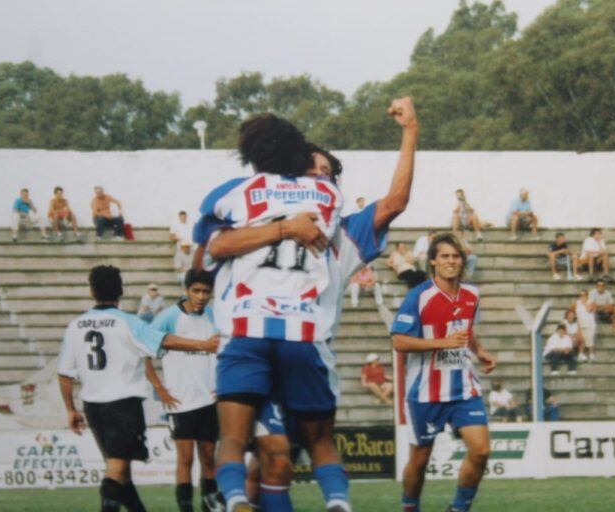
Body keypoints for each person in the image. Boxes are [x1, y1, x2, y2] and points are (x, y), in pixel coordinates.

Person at [196, 97, 418, 512]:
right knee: (274, 460)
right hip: (263, 339)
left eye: (328, 173)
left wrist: (409, 132)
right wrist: (280, 228)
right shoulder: (256, 216)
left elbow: (395, 202)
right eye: (312, 169)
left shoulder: (345, 237)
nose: (319, 175)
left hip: (301, 345)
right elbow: (210, 252)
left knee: (279, 461)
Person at [57, 265, 218, 512]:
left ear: (91, 292)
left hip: (92, 407)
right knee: (117, 469)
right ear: (121, 292)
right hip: (122, 404)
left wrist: (70, 409)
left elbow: (65, 373)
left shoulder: (75, 326)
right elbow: (165, 340)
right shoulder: (128, 323)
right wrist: (203, 346)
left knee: (121, 472)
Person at [391, 233, 496, 512]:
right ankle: (410, 507)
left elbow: (466, 331)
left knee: (481, 450)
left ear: (462, 261)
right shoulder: (419, 296)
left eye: (456, 256)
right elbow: (399, 341)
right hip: (425, 392)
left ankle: (459, 509)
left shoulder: (473, 295)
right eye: (445, 256)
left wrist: (480, 350)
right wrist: (442, 343)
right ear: (433, 261)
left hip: (463, 388)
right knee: (420, 460)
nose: (451, 261)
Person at [144, 270, 221, 512]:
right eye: (196, 291)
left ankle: (209, 508)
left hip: (209, 400)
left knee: (209, 458)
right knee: (185, 459)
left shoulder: (214, 316)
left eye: (206, 291)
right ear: (186, 290)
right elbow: (143, 352)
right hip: (181, 401)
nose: (201, 296)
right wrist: (159, 387)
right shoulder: (168, 317)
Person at [573, 290, 597, 361]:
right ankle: (580, 354)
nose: (582, 296)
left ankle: (591, 354)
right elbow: (576, 314)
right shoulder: (577, 303)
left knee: (590, 339)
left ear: (587, 295)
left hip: (590, 324)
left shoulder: (591, 302)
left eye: (584, 295)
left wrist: (584, 303)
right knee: (582, 339)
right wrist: (578, 326)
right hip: (581, 324)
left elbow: (589, 310)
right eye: (581, 295)